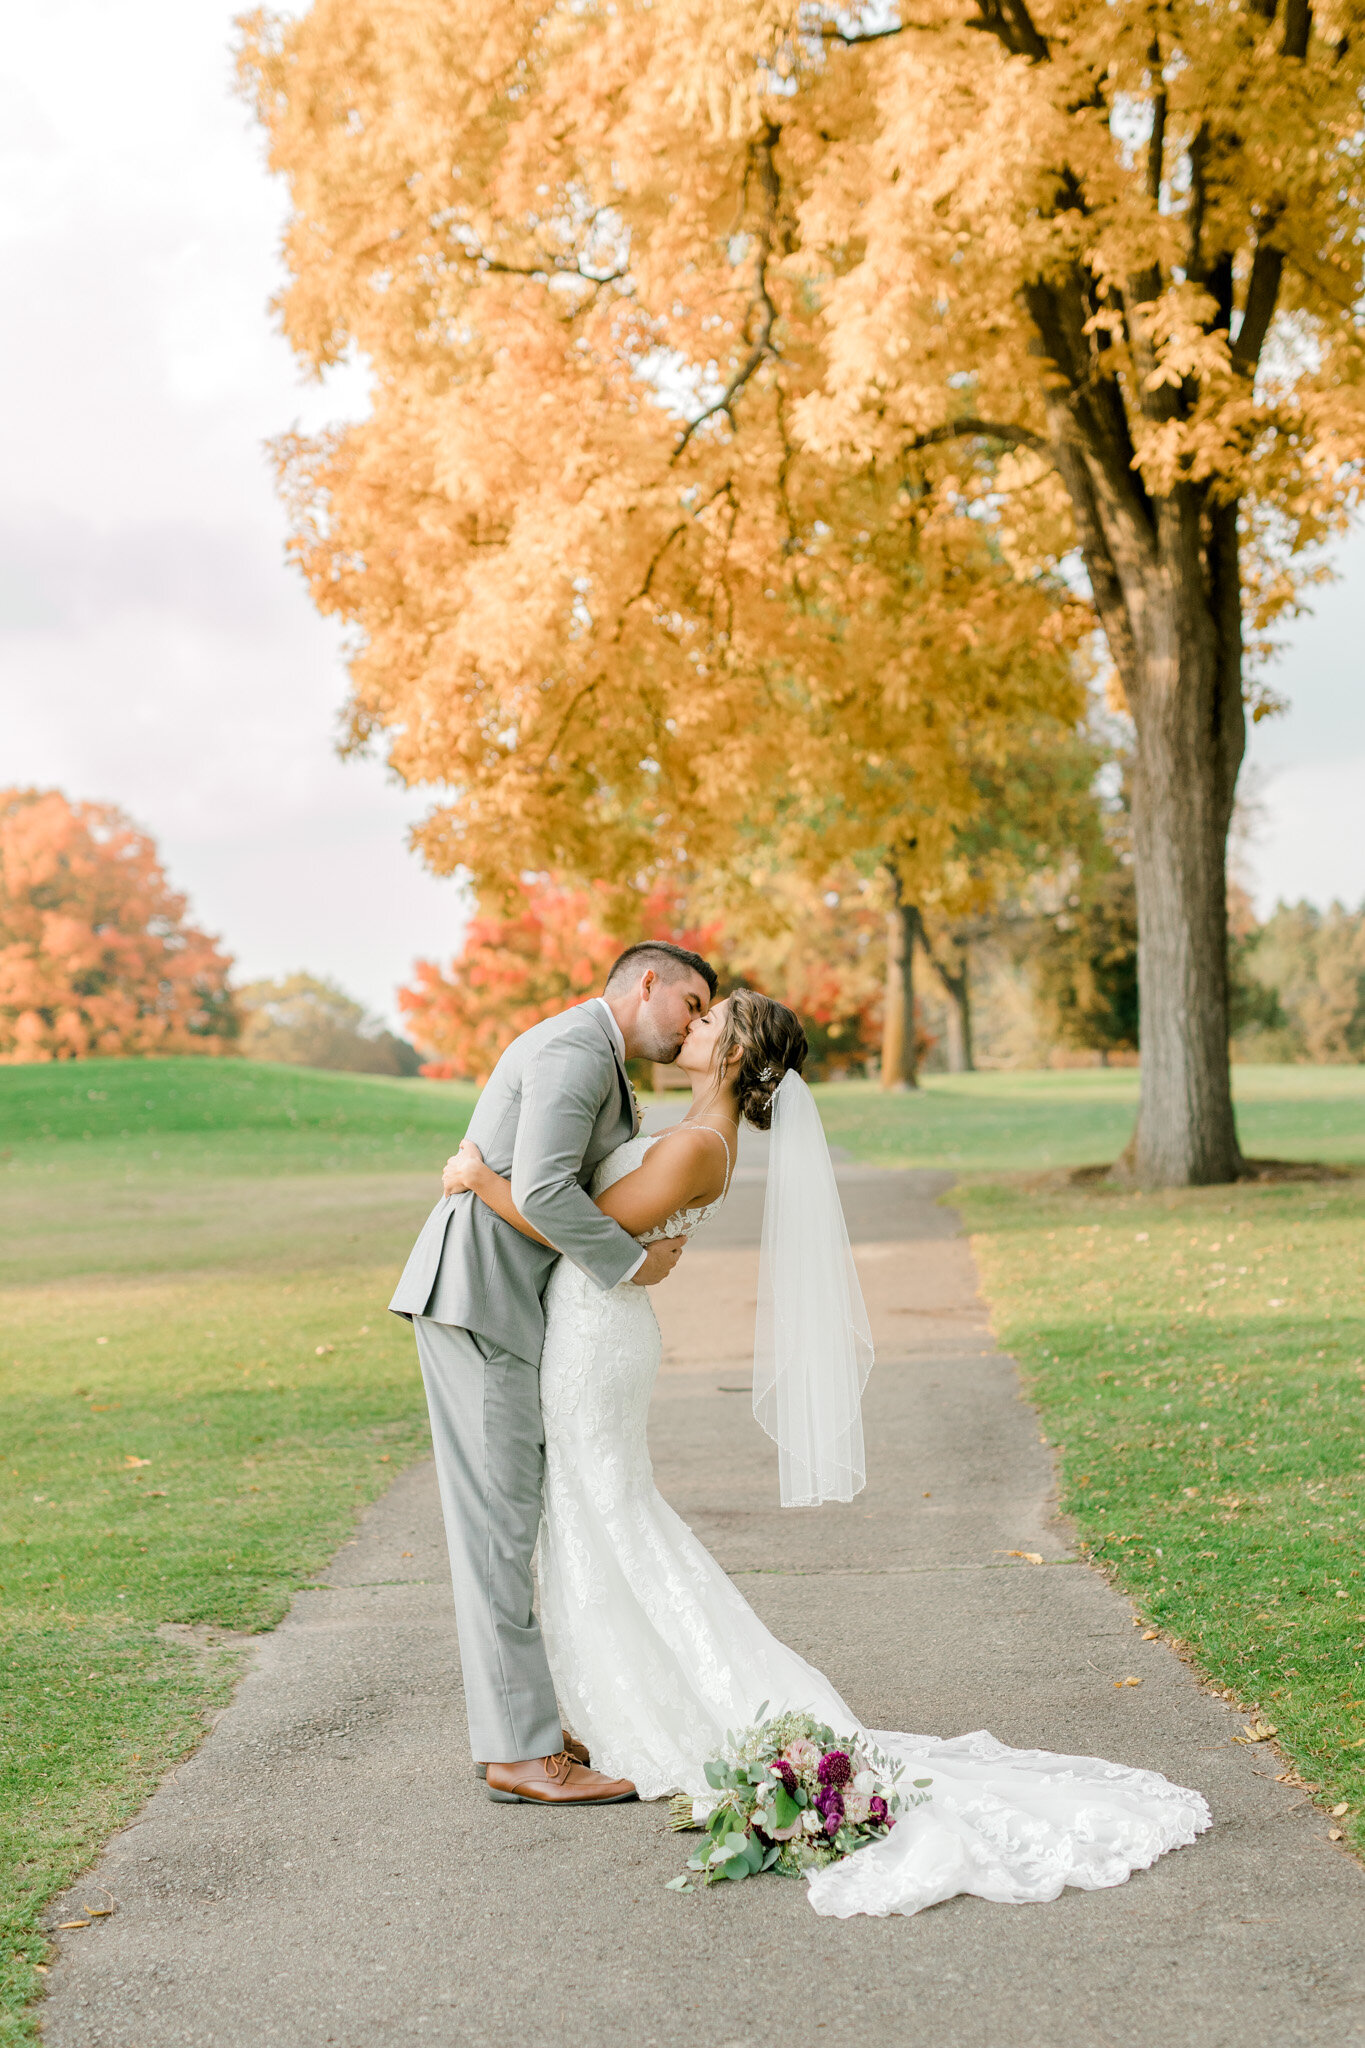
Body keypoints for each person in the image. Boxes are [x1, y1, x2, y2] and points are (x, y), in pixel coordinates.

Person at [441, 987, 1212, 1917]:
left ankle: (671, 1708)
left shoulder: (694, 1145)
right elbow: (610, 1237)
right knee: (589, 1511)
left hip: (596, 1341)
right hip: (591, 1326)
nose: (690, 1027)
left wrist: (486, 1184)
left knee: (610, 1509)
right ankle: (600, 1707)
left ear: (732, 1055)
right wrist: (623, 1242)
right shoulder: (686, 1130)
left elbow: (579, 1227)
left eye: (708, 1020)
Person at [389, 940, 716, 1806]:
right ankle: (520, 1754)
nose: (692, 1024)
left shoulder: (594, 1053)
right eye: (690, 1003)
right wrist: (635, 1264)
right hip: (478, 1299)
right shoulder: (574, 1051)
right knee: (498, 1524)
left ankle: (520, 1728)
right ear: (647, 983)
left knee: (511, 1515)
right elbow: (538, 1192)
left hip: (501, 1300)